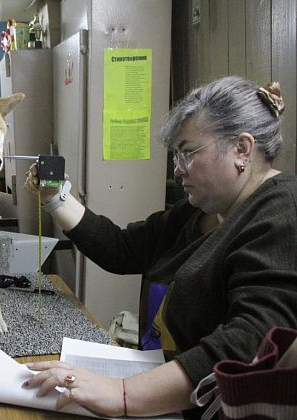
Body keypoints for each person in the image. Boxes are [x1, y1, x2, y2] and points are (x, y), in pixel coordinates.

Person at [22, 76, 297, 419]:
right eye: (176, 155)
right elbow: (121, 249)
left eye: (188, 153)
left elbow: (251, 340)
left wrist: (122, 393)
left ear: (242, 149)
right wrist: (55, 197)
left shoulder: (283, 212)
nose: (178, 170)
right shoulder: (201, 210)